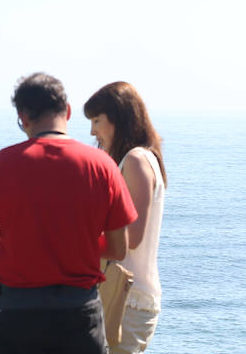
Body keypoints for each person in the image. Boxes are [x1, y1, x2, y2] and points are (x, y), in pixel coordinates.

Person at [0, 72, 138, 354]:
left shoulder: (2, 164)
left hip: (16, 314)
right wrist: (70, 245)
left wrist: (7, 245)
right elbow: (119, 249)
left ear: (23, 118)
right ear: (67, 112)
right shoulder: (102, 166)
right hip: (78, 314)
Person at [85, 82, 167, 354]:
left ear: (118, 118)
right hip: (121, 294)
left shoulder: (135, 160)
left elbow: (132, 236)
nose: (92, 130)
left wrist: (74, 239)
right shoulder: (134, 159)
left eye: (97, 120)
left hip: (128, 298)